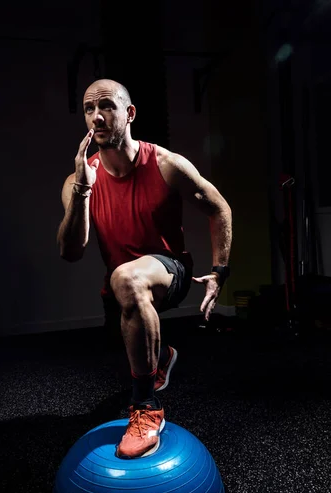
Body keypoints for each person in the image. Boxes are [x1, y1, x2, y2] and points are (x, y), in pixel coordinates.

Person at [57, 78, 232, 459]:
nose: (96, 117)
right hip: (120, 289)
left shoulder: (166, 165)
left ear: (129, 113)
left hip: (171, 272)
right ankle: (163, 356)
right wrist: (83, 192)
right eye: (89, 109)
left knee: (128, 277)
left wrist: (220, 271)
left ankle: (148, 409)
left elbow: (219, 208)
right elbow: (70, 252)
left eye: (106, 106)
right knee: (124, 298)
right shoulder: (79, 179)